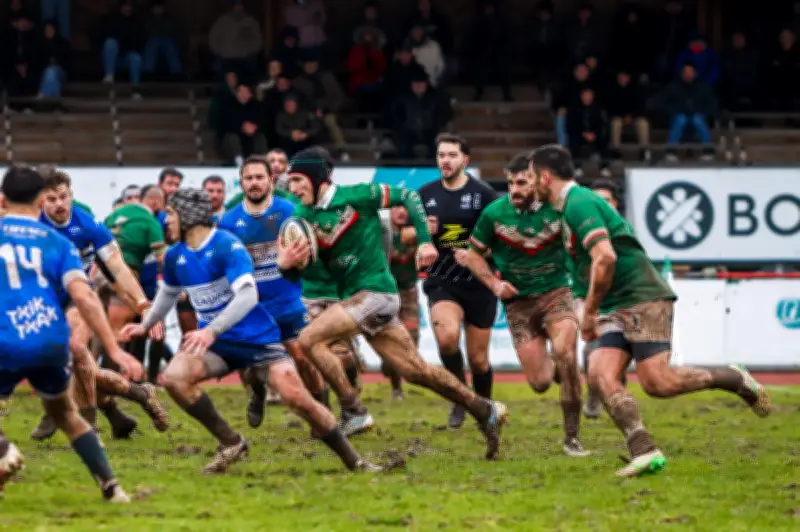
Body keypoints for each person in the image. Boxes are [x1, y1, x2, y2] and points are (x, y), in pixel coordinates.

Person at [529, 144, 771, 477]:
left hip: (641, 295)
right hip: (612, 303)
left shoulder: (579, 202)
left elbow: (606, 257)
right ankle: (644, 450)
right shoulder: (563, 208)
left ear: (545, 176)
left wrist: (588, 312)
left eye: (531, 177)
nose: (529, 185)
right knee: (600, 374)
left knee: (658, 383)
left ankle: (733, 377)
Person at [119, 189, 379, 474]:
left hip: (257, 340)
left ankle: (355, 461)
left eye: (171, 214)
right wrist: (144, 324)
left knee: (297, 399)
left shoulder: (226, 246)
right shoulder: (174, 256)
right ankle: (231, 442)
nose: (166, 221)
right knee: (174, 378)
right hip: (219, 345)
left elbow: (248, 295)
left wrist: (210, 331)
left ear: (189, 217)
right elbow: (168, 294)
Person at [281, 148, 508, 460]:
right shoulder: (302, 216)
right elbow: (299, 270)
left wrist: (426, 242)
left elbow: (409, 197)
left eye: (296, 180)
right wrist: (286, 265)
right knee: (416, 371)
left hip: (376, 294)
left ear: (317, 178)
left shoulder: (359, 194)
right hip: (359, 300)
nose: (292, 188)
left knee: (308, 339)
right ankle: (483, 409)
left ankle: (352, 410)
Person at [0, 165, 141, 502]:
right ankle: (112, 488)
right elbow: (84, 296)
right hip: (50, 339)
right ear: (40, 202)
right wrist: (114, 349)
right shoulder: (58, 243)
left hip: (5, 339)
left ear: (2, 201)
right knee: (66, 414)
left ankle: (5, 450)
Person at [455, 153, 588, 457]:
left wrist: (582, 289)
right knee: (540, 382)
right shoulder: (494, 214)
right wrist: (494, 284)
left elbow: (582, 248)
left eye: (523, 182)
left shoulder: (560, 210)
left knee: (566, 354)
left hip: (556, 293)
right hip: (519, 305)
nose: (514, 189)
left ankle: (572, 437)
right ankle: (561, 370)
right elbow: (473, 254)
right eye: (511, 182)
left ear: (538, 182)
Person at [32, 169, 169, 441]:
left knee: (75, 348)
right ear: (40, 201)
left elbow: (117, 267)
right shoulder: (30, 224)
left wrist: (143, 304)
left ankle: (83, 426)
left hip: (79, 295)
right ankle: (136, 395)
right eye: (51, 199)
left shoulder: (88, 225)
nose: (59, 204)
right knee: (82, 366)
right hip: (44, 301)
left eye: (63, 197)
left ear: (71, 195)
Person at [219, 156, 328, 430]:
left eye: (259, 177)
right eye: (248, 178)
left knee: (304, 358)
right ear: (241, 182)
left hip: (289, 299)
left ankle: (323, 415)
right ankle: (257, 391)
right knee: (254, 362)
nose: (254, 183)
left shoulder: (290, 211)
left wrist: (298, 259)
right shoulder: (229, 222)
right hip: (252, 305)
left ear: (270, 180)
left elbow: (312, 253)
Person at [415, 134, 498, 429]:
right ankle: (460, 399)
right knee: (448, 339)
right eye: (441, 155)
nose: (445, 161)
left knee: (479, 361)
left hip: (478, 283)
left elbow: (499, 236)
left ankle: (485, 408)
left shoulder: (484, 194)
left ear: (465, 160)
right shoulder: (424, 194)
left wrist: (478, 253)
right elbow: (407, 236)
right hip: (442, 280)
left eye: (451, 155)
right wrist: (422, 234)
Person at [579, 179, 626, 419]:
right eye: (595, 200)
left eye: (606, 200)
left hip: (628, 300)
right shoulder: (585, 230)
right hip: (598, 299)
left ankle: (616, 396)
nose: (600, 205)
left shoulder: (624, 231)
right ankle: (595, 395)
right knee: (592, 351)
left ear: (615, 204)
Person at [384, 206, 420, 401]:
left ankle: (394, 366)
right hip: (386, 293)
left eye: (405, 208)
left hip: (409, 292)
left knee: (412, 338)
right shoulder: (383, 231)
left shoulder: (418, 231)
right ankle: (396, 388)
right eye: (396, 207)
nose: (401, 212)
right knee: (391, 340)